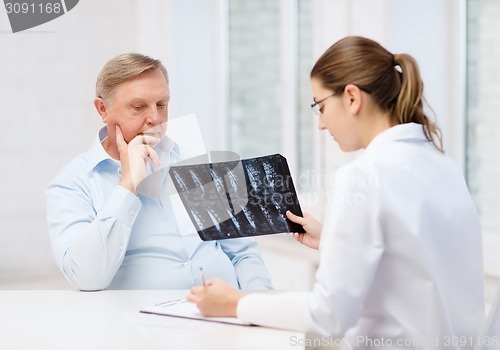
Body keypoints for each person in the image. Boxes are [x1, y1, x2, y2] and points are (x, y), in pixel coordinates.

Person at [187, 36, 485, 349]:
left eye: (320, 106)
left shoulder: (363, 176)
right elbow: (414, 260)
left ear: (352, 98)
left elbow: (328, 317)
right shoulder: (443, 164)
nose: (321, 125)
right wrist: (332, 238)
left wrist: (235, 303)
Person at [46, 53, 272, 291]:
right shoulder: (72, 183)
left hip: (226, 313)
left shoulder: (193, 159)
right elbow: (87, 278)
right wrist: (128, 185)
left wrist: (258, 306)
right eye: (138, 107)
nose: (155, 118)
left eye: (162, 105)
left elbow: (243, 253)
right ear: (103, 109)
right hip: (142, 322)